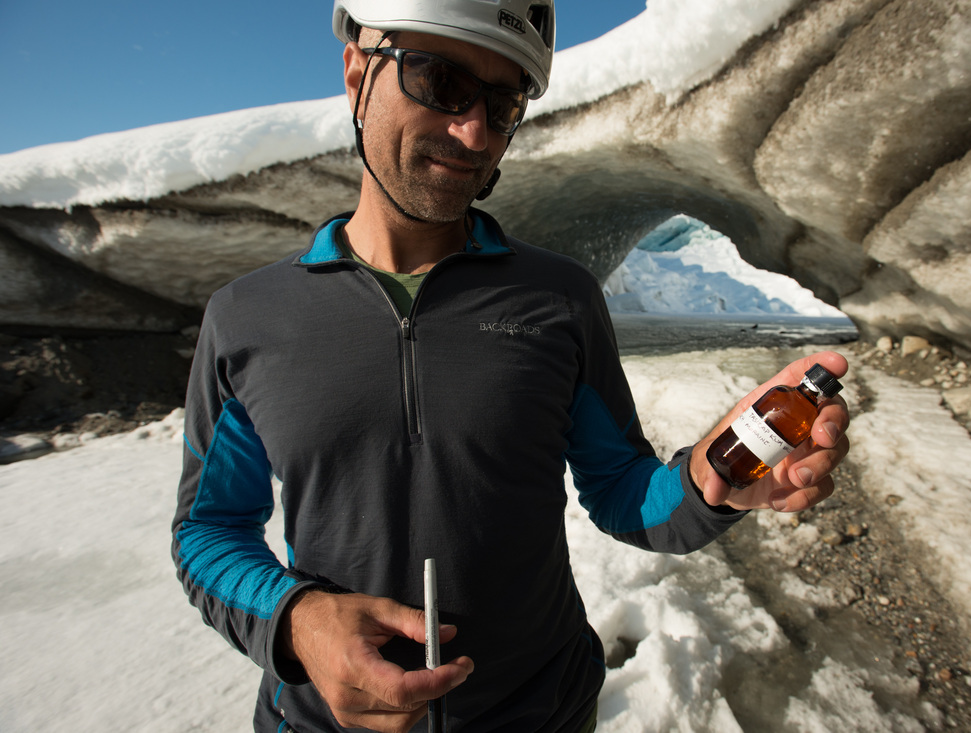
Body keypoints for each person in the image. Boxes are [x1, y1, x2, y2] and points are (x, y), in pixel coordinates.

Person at [171, 1, 851, 731]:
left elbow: (623, 491)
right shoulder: (248, 318)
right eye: (440, 80)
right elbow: (208, 530)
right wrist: (297, 619)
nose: (474, 132)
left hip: (542, 713)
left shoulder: (557, 300)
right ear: (356, 72)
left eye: (504, 104)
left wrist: (708, 484)